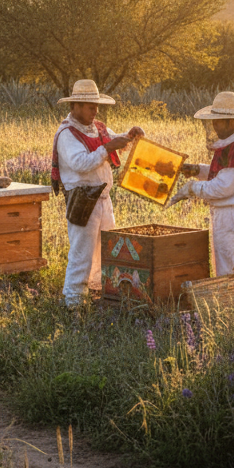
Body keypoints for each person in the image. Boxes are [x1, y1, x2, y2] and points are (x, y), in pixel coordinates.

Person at [52, 79, 144, 304]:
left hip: (103, 198)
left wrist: (129, 135)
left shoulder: (98, 128)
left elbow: (113, 140)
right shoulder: (67, 133)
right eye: (90, 106)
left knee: (107, 252)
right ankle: (73, 302)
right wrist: (108, 148)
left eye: (96, 105)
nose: (96, 110)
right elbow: (81, 163)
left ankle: (98, 295)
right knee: (82, 253)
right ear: (76, 106)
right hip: (82, 199)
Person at [177, 91, 234, 277]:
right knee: (225, 271)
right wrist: (196, 169)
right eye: (214, 120)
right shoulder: (232, 143)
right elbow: (221, 173)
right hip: (228, 214)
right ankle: (230, 306)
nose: (214, 125)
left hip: (233, 216)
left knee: (232, 272)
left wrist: (192, 188)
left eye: (218, 120)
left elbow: (223, 187)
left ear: (233, 122)